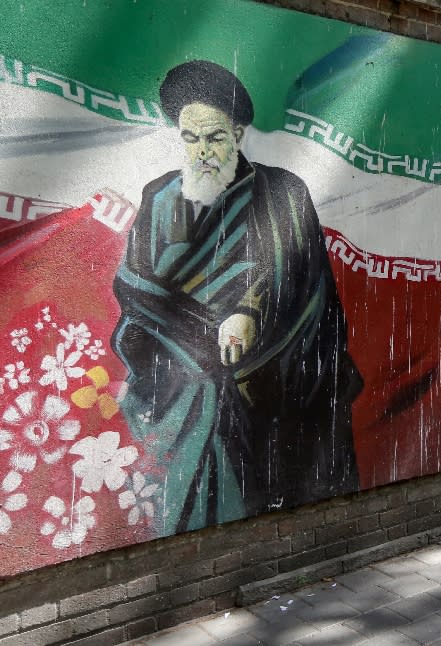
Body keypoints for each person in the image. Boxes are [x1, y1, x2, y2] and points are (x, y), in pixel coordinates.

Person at [112, 60, 362, 535]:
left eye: (215, 137)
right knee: (202, 408)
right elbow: (135, 285)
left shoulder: (283, 192)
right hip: (183, 370)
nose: (202, 151)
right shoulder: (160, 197)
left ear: (239, 132)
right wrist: (196, 334)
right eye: (191, 139)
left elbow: (302, 282)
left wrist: (250, 310)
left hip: (275, 367)